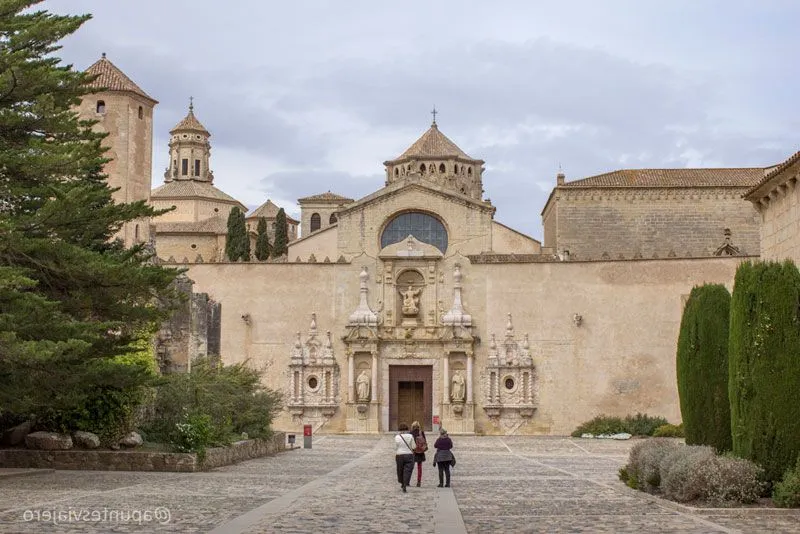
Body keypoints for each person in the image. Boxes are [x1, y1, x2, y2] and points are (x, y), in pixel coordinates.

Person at [394, 423, 415, 492]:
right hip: (409, 455)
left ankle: (402, 482)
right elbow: (414, 447)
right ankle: (405, 483)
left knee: (400, 470)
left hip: (399, 455)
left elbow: (395, 447)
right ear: (407, 429)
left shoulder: (397, 437)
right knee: (408, 470)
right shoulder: (410, 436)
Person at [410, 421, 427, 487]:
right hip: (420, 451)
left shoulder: (411, 433)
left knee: (410, 467)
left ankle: (407, 481)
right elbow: (425, 442)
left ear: (413, 426)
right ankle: (419, 482)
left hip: (413, 451)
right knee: (419, 467)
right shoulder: (421, 432)